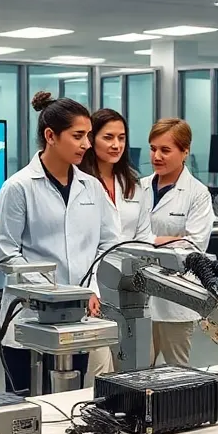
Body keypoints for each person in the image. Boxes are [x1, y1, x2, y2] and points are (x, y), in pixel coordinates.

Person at [0, 91, 118, 394]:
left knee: (69, 398)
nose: (87, 145)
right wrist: (50, 293)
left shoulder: (91, 186)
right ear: (51, 135)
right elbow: (7, 253)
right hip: (29, 313)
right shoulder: (19, 187)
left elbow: (109, 244)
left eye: (88, 135)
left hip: (78, 313)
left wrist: (89, 290)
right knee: (26, 406)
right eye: (78, 136)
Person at [79, 108, 152, 381]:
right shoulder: (80, 184)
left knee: (133, 365)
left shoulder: (132, 183)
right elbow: (82, 244)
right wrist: (90, 289)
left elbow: (144, 237)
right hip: (95, 287)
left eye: (121, 137)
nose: (116, 144)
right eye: (108, 137)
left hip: (130, 286)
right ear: (91, 139)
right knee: (101, 366)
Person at [140, 118, 214, 365]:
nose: (156, 156)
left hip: (176, 297)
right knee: (137, 369)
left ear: (185, 151)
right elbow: (124, 239)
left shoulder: (197, 193)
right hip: (138, 294)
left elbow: (193, 248)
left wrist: (145, 243)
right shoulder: (138, 188)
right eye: (153, 148)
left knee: (178, 371)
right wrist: (163, 241)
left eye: (165, 150)